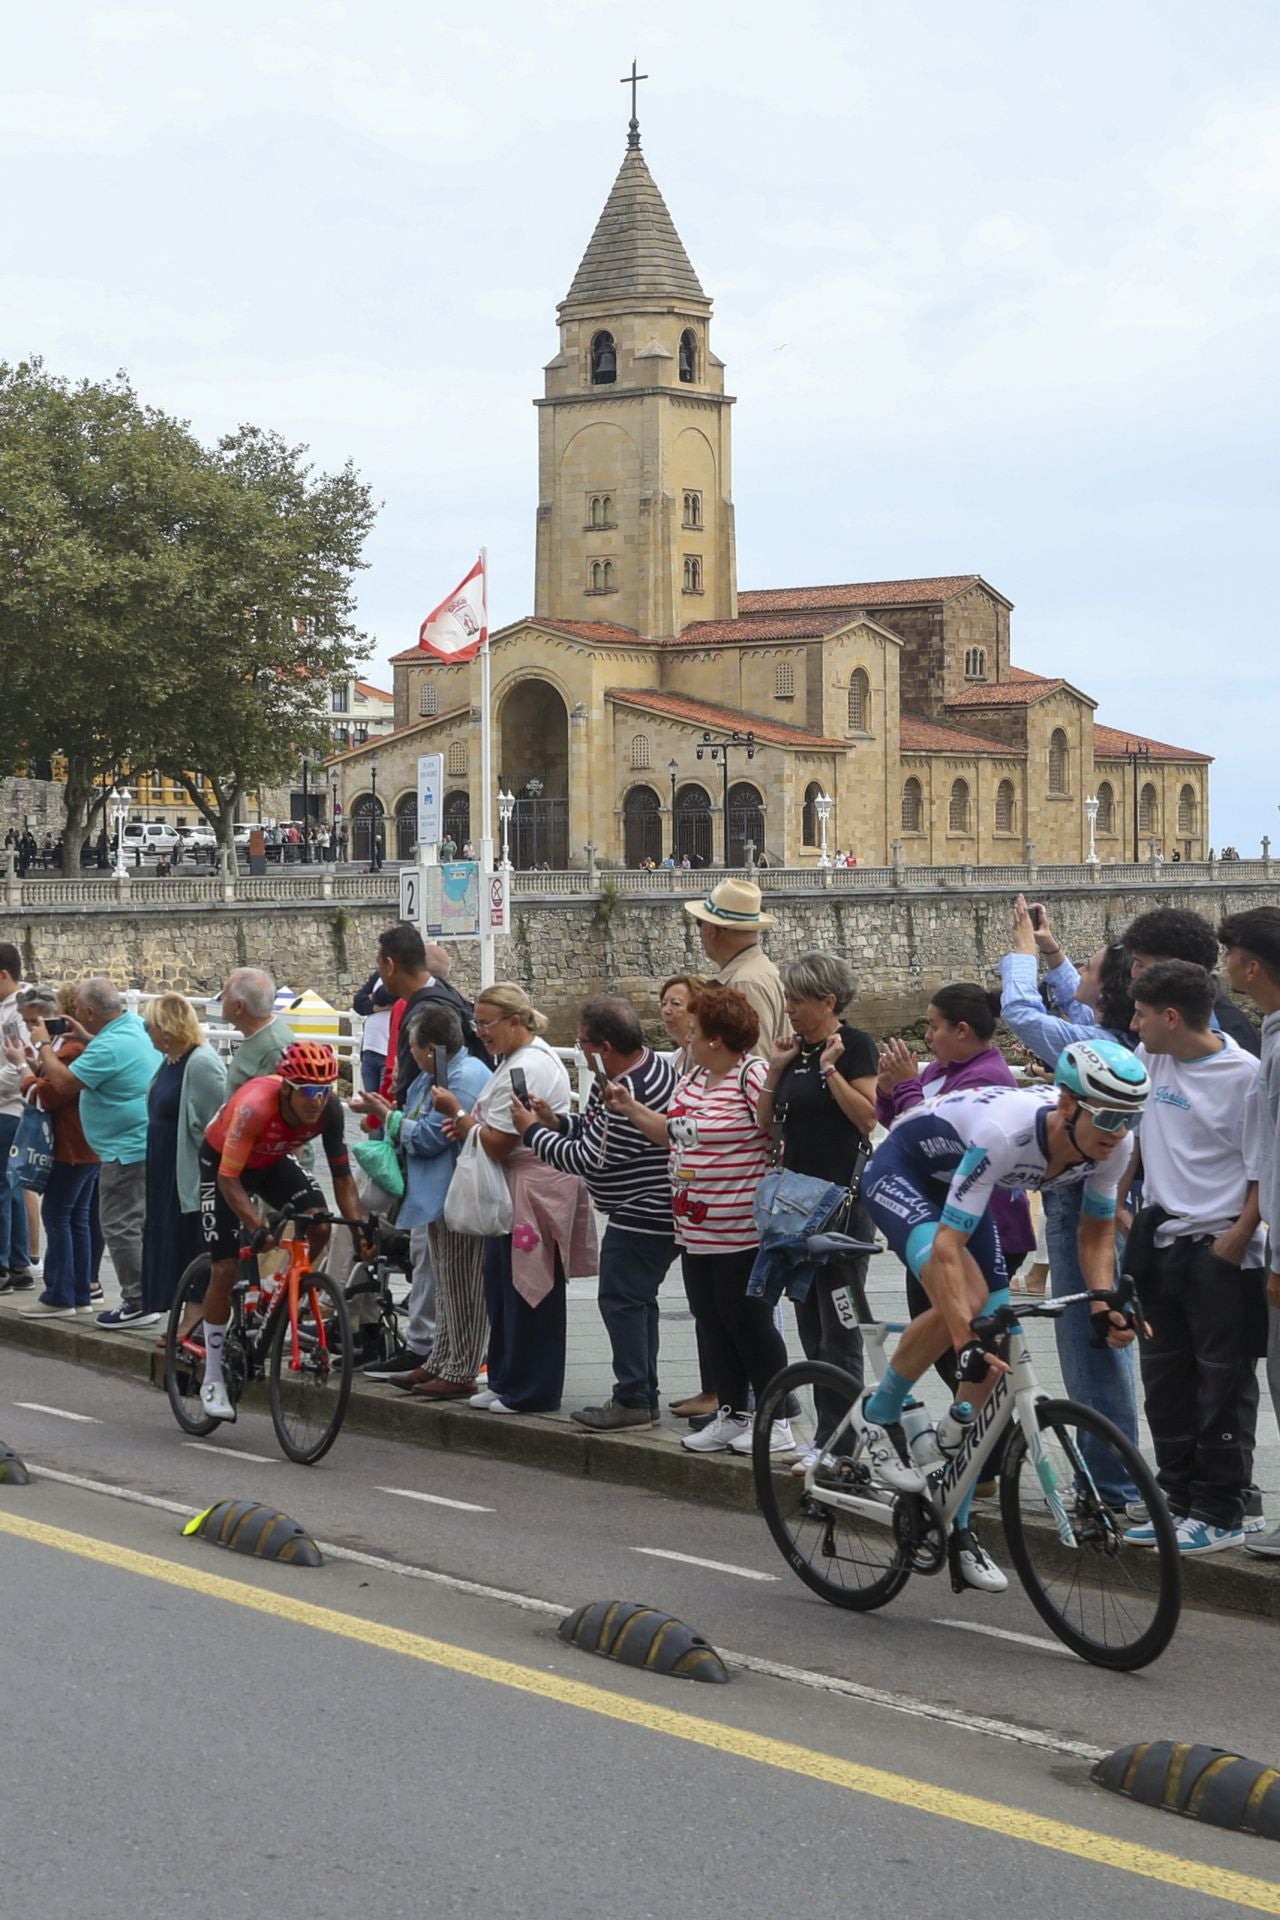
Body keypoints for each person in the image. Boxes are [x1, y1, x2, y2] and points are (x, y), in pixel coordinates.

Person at [861, 1040, 1148, 1592]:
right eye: (1108, 1114)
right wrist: (963, 1336)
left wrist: (1103, 1300)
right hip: (904, 1172)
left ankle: (958, 1524)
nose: (1118, 1128)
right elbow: (947, 1250)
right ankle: (881, 1412)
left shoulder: (1114, 1144)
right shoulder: (1006, 1133)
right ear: (1068, 1105)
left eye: (1130, 1116)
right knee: (964, 1311)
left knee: (995, 1354)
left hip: (968, 1186)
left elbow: (1096, 1232)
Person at [997, 896, 1144, 1512]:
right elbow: (1079, 996)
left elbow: (1023, 1011)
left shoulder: (1090, 1044)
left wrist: (1023, 953)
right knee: (1107, 1339)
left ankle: (1109, 1488)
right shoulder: (1108, 1033)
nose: (1074, 972)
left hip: (1077, 1196)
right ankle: (1119, 1478)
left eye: (1086, 965)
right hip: (1102, 1190)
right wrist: (1054, 950)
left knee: (1089, 1346)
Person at [610, 985, 794, 1457]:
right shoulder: (691, 1082)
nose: (686, 1039)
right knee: (712, 1323)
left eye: (694, 1031)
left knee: (750, 1324)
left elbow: (774, 1127)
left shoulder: (750, 1076)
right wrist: (631, 1108)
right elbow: (669, 1135)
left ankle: (778, 1421)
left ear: (716, 1038)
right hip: (694, 1229)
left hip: (741, 1230)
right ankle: (732, 1414)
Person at [1123, 961, 1267, 1555]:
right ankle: (1177, 1498)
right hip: (1160, 1244)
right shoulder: (1152, 1058)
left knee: (1221, 1385)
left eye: (1142, 1014)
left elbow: (1266, 1168)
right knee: (1163, 1381)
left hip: (1220, 1250)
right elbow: (1130, 1129)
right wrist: (1118, 1207)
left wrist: (1235, 1240)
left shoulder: (1246, 1077)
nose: (1134, 1024)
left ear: (1172, 1017)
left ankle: (1223, 1508)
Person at [517, 997, 677, 1430]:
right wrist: (556, 1122)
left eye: (583, 1042)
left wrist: (531, 1131)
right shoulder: (650, 1067)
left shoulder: (626, 1092)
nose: (580, 1047)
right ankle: (643, 1393)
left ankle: (633, 1399)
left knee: (620, 1300)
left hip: (641, 1210)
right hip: (658, 1206)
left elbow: (588, 1159)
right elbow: (593, 1135)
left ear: (604, 1047)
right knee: (638, 1302)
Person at [435, 984, 590, 1414]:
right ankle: (505, 1377)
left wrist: (460, 1116)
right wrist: (469, 1125)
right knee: (502, 1287)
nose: (480, 1032)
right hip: (514, 1188)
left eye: (486, 1023)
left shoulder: (530, 1067)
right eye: (476, 1023)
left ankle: (532, 1389)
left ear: (514, 1021)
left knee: (530, 1290)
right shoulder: (515, 1061)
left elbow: (502, 1142)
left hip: (531, 1188)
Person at [196, 1041, 368, 1421]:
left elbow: (342, 1176)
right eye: (308, 1091)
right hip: (223, 1165)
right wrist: (255, 1226)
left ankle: (276, 1289)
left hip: (270, 1160)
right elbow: (228, 1179)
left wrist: (358, 1229)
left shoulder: (329, 1111)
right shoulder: (255, 1105)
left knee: (320, 1223)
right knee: (224, 1267)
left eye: (325, 1091)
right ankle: (212, 1376)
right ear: (287, 1087)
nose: (317, 1101)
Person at [757, 952, 878, 1472]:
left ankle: (843, 1445)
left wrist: (830, 1071)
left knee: (841, 1329)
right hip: (796, 1206)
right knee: (810, 1325)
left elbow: (868, 1118)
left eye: (798, 1000)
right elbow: (768, 1126)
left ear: (828, 1002)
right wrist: (779, 1068)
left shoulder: (854, 1047)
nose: (789, 1008)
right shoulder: (796, 1051)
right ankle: (824, 1439)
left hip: (842, 1210)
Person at [359, 1003, 493, 1395]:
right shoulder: (433, 1076)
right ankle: (441, 1359)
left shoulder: (463, 1077)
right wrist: (393, 1117)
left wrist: (388, 1117)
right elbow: (416, 1124)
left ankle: (461, 1368)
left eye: (414, 1047)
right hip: (437, 1198)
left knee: (464, 1286)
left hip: (458, 1197)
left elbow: (428, 1137)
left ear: (430, 1048)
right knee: (446, 1285)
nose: (410, 1055)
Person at [875, 983, 1035, 1288]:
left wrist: (907, 1085)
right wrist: (887, 1089)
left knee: (955, 1328)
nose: (927, 1036)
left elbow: (932, 1140)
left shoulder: (987, 1078)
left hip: (984, 1227)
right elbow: (899, 1124)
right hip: (942, 1218)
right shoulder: (939, 1069)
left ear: (961, 1030)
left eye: (934, 1027)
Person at [24, 977, 156, 1328]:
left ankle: (138, 1302)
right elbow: (112, 1053)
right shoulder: (132, 1028)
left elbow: (63, 1084)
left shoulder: (107, 1047)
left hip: (123, 1150)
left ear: (88, 1011)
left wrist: (42, 1047)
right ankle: (97, 1292)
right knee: (102, 1220)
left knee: (119, 1225)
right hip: (133, 1144)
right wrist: (86, 1037)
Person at [1219, 907, 1280, 1556]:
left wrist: (1252, 1229)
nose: (1225, 962)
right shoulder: (1269, 1031)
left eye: (1231, 952)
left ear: (1253, 965)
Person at [4, 987, 97, 1317]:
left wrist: (21, 1068)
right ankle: (80, 1291)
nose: (31, 1029)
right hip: (85, 1146)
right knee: (77, 1219)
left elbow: (46, 1096)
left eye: (34, 1022)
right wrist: (33, 1063)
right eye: (27, 1023)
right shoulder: (66, 1046)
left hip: (71, 1147)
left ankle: (59, 1295)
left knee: (57, 1216)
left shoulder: (70, 1048)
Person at [139, 994, 226, 1319]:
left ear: (167, 1028)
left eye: (149, 1024)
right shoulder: (170, 1060)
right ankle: (180, 1313)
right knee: (169, 1238)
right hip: (164, 1166)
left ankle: (197, 1317)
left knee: (191, 1241)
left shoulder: (200, 1063)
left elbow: (218, 1121)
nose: (145, 1030)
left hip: (186, 1170)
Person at [1123, 906, 1261, 1057]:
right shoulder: (1154, 1029)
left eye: (1140, 964)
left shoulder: (1232, 1037)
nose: (1134, 974)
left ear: (1173, 967)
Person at [684, 877, 788, 1056]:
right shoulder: (758, 972)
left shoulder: (745, 983)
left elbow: (753, 1062)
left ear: (711, 930)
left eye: (700, 923)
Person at [373, 924, 477, 1103]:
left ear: (390, 966)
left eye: (379, 965)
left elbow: (407, 1096)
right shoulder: (448, 993)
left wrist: (385, 1114)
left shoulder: (421, 1017)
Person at [0, 943, 36, 1292]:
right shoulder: (16, 1008)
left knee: (3, 1187)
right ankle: (19, 1262)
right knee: (10, 1188)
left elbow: (15, 1068)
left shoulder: (13, 1016)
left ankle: (4, 1267)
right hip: (14, 1107)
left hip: (7, 1108)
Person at [220, 970, 296, 1091]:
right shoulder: (259, 1036)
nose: (221, 999)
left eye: (225, 995)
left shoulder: (274, 1049)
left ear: (239, 1006)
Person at [352, 970, 394, 1092]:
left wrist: (372, 998)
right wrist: (377, 1007)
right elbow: (358, 1003)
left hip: (388, 1053)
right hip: (369, 1049)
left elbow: (387, 995)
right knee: (370, 1104)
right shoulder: (379, 975)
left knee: (384, 1103)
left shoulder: (403, 975)